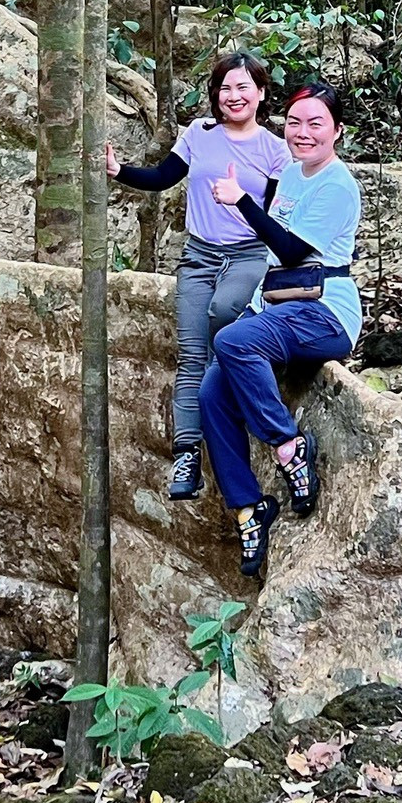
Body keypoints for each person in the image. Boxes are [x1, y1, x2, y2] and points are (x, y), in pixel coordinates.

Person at [106, 51, 293, 499]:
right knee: (192, 355)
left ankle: (228, 425)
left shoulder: (275, 149)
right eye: (225, 88)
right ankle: (187, 454)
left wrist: (245, 196)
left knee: (223, 313)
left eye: (243, 87)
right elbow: (163, 177)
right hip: (199, 257)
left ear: (261, 94)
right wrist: (118, 171)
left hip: (248, 256)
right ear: (215, 95)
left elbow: (279, 213)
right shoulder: (199, 134)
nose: (233, 96)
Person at [198, 81, 363, 581]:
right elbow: (276, 260)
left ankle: (288, 448)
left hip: (325, 314)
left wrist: (242, 202)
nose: (303, 133)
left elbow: (293, 251)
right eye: (295, 122)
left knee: (231, 340)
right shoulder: (291, 176)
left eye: (316, 123)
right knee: (211, 392)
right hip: (279, 305)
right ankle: (249, 510)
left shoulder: (338, 184)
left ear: (337, 131)